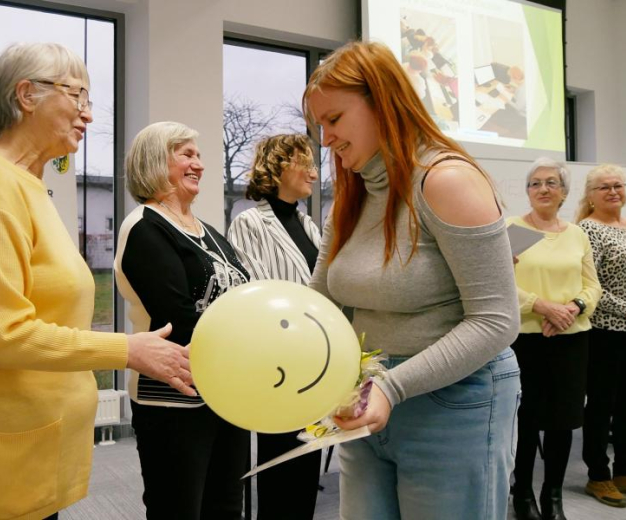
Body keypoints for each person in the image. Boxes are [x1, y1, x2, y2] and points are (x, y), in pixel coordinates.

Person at [0, 43, 193, 520]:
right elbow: (0, 333)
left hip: (36, 443)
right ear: (26, 95)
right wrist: (127, 350)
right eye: (77, 96)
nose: (87, 114)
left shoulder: (27, 186)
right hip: (1, 456)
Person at [302, 40, 521, 520]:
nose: (325, 139)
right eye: (320, 125)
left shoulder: (446, 180)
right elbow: (319, 302)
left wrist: (391, 387)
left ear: (382, 102)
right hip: (366, 395)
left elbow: (497, 320)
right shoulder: (353, 197)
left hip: (453, 401)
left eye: (334, 120)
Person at [114, 121, 250, 520]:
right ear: (156, 161)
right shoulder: (145, 227)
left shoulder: (208, 232)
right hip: (174, 397)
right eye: (187, 154)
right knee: (178, 509)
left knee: (226, 508)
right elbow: (179, 318)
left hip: (225, 392)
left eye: (199, 155)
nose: (199, 165)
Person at [227, 134, 322, 520]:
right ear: (280, 166)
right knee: (281, 467)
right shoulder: (249, 223)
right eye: (305, 164)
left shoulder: (308, 224)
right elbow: (257, 292)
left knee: (307, 467)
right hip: (280, 364)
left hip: (316, 362)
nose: (314, 173)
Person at [507, 158, 602, 520]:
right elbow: (498, 282)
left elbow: (592, 286)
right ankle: (522, 494)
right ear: (528, 191)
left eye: (551, 182)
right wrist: (543, 306)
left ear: (564, 192)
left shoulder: (576, 234)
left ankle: (553, 496)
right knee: (527, 421)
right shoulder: (513, 229)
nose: (543, 189)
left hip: (571, 339)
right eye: (535, 183)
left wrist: (573, 308)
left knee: (564, 421)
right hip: (525, 340)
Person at [576, 164, 626, 508]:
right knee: (601, 405)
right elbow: (588, 286)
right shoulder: (588, 230)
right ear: (591, 195)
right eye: (604, 187)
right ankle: (598, 475)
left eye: (618, 185)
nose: (613, 191)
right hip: (606, 333)